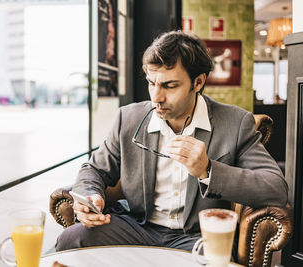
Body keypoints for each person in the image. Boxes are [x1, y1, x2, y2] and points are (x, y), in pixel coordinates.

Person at [55, 31, 288, 252]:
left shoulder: (236, 123)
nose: (156, 97)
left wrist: (208, 170)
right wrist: (90, 195)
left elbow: (275, 188)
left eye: (169, 85)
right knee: (72, 239)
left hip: (197, 236)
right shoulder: (128, 118)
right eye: (151, 83)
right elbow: (93, 169)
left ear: (197, 83)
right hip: (138, 227)